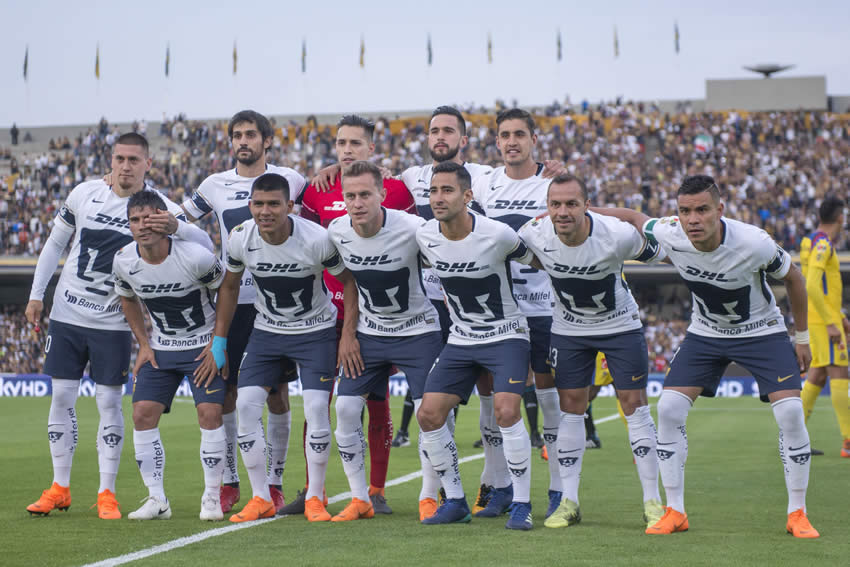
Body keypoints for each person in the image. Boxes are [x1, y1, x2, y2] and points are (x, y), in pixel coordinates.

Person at [597, 174, 819, 538]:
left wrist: (802, 337)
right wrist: (589, 212)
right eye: (685, 211)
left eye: (702, 210)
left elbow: (793, 278)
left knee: (792, 412)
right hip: (707, 333)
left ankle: (798, 513)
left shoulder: (753, 242)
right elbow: (636, 218)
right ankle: (675, 511)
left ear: (720, 210)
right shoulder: (671, 232)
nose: (693, 219)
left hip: (762, 331)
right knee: (668, 408)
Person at [25, 133, 209, 520]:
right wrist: (36, 294)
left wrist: (175, 227)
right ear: (111, 159)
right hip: (67, 313)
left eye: (133, 160)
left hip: (112, 322)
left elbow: (203, 242)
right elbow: (55, 244)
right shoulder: (84, 193)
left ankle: (106, 492)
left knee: (109, 403)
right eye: (119, 158)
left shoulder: (161, 208)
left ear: (148, 164)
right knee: (61, 398)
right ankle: (59, 487)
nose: (125, 166)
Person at [194, 172, 358, 523]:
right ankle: (261, 497)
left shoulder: (317, 239)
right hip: (267, 331)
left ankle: (314, 497)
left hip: (315, 330)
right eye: (258, 203)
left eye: (273, 204)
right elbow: (229, 287)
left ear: (290, 206)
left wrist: (347, 335)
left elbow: (349, 282)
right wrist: (219, 342)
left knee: (315, 407)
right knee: (246, 407)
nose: (264, 211)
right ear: (250, 205)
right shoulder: (240, 238)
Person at [284, 115, 415, 516]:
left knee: (374, 399)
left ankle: (376, 490)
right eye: (341, 143)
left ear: (371, 149)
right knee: (316, 400)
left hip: (376, 315)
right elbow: (303, 245)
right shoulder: (317, 191)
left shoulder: (393, 190)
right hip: (327, 314)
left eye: (355, 143)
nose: (346, 150)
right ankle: (313, 490)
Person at [518, 174, 664, 530]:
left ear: (586, 205)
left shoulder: (615, 234)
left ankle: (653, 501)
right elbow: (527, 258)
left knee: (634, 406)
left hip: (619, 325)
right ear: (546, 207)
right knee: (571, 410)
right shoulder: (533, 233)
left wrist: (635, 216)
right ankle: (570, 502)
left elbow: (657, 251)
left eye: (571, 203)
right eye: (555, 204)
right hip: (569, 329)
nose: (562, 211)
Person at [181, 110, 307, 514]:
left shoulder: (292, 179)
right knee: (229, 394)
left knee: (276, 394)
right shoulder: (214, 185)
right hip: (233, 302)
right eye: (237, 135)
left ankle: (274, 482)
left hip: (278, 302)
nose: (243, 141)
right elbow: (180, 219)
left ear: (267, 140)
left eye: (250, 134)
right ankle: (232, 482)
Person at [416, 161, 535, 530]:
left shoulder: (498, 234)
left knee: (505, 411)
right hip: (461, 338)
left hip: (506, 335)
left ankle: (521, 503)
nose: (439, 198)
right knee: (429, 414)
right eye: (434, 190)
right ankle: (454, 500)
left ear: (468, 196)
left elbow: (536, 261)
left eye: (447, 190)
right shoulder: (424, 236)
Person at [325, 160, 442, 521]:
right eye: (350, 195)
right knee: (344, 410)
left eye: (364, 194)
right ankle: (361, 499)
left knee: (432, 414)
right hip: (370, 335)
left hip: (419, 331)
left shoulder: (414, 228)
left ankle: (429, 496)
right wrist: (348, 334)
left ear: (382, 195)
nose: (356, 203)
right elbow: (348, 283)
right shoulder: (337, 230)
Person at [112, 191, 226, 521]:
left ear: (164, 219)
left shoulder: (196, 257)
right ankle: (157, 500)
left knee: (208, 413)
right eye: (135, 220)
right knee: (142, 414)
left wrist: (219, 342)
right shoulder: (123, 260)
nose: (142, 226)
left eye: (149, 218)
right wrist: (144, 345)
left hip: (202, 345)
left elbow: (228, 292)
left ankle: (211, 498)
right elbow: (127, 299)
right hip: (161, 350)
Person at [470, 108, 561, 519]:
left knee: (549, 399)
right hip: (499, 310)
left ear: (534, 139)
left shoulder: (552, 183)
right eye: (504, 134)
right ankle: (500, 485)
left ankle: (559, 490)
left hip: (544, 307)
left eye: (519, 134)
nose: (511, 141)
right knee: (493, 404)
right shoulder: (484, 183)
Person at [799, 195, 850, 457]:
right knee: (840, 374)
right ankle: (848, 440)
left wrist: (839, 315)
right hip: (823, 322)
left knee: (817, 376)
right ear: (840, 217)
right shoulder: (823, 245)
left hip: (819, 318)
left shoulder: (809, 241)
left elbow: (820, 286)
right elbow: (811, 286)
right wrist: (832, 323)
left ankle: (792, 436)